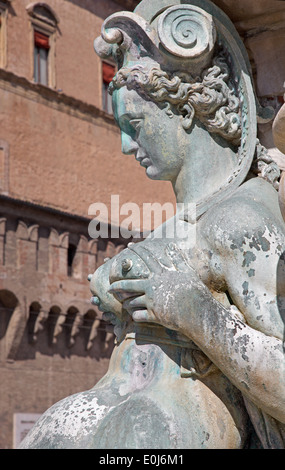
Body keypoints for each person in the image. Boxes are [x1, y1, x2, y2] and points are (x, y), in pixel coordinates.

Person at [20, 0, 285, 449]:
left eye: (135, 124)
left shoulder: (240, 221)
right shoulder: (175, 229)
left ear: (182, 112)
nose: (126, 145)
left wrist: (193, 311)